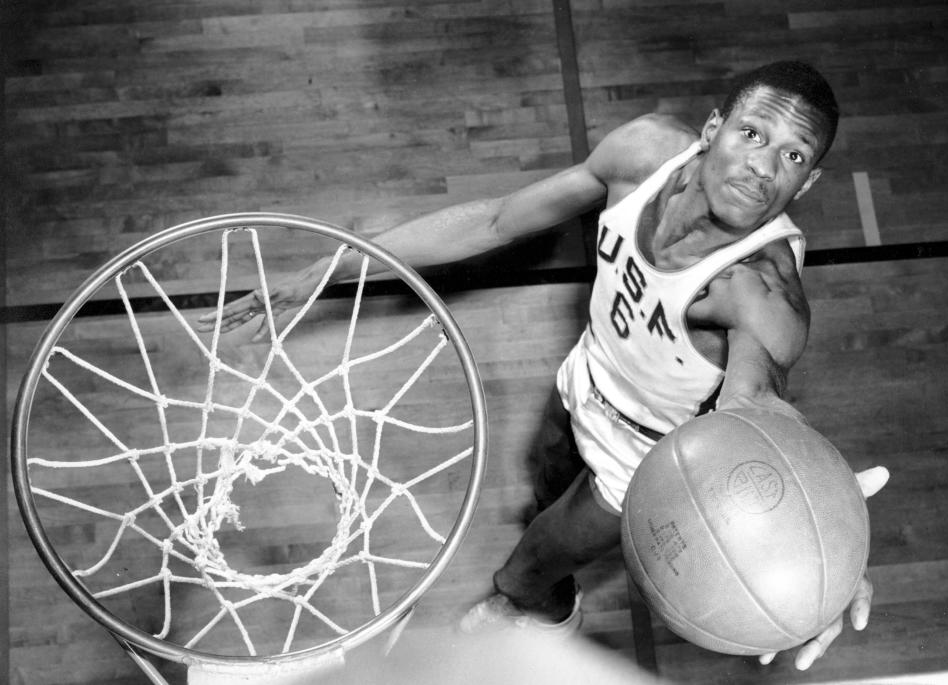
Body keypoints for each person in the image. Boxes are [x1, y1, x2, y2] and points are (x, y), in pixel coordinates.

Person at [197, 61, 888, 671]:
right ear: (714, 126)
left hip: (647, 459)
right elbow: (497, 220)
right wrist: (343, 261)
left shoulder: (761, 293)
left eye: (794, 156)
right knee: (545, 471)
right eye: (754, 135)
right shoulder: (643, 152)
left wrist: (820, 553)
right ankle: (547, 578)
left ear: (809, 180)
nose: (765, 167)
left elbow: (758, 413)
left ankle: (541, 610)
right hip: (588, 376)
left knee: (527, 565)